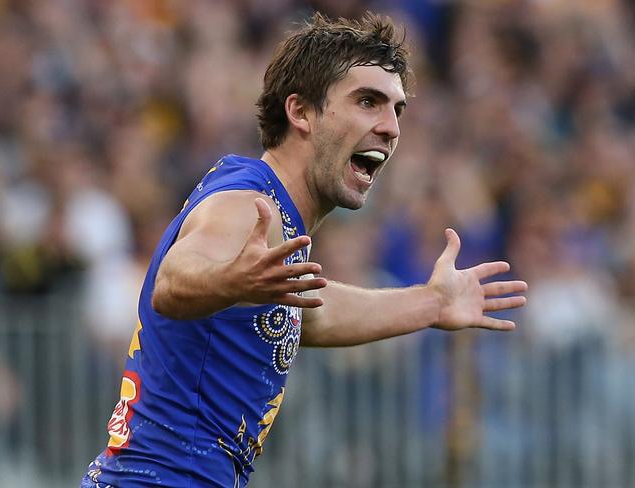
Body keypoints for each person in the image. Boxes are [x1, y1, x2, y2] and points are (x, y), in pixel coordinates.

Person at [82, 12, 527, 488]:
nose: (391, 127)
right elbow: (173, 282)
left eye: (397, 110)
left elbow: (313, 311)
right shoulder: (249, 206)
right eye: (368, 101)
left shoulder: (272, 219)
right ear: (301, 112)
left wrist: (431, 302)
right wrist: (231, 278)